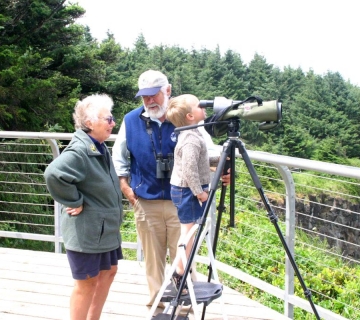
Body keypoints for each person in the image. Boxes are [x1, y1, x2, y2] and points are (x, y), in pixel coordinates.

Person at [112, 70, 229, 306]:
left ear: (168, 90)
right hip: (145, 201)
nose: (149, 101)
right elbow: (119, 158)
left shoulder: (186, 119)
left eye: (153, 95)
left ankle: (186, 302)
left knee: (184, 256)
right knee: (153, 259)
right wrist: (126, 188)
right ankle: (157, 304)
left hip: (183, 201)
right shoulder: (131, 120)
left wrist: (223, 170)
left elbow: (209, 153)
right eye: (144, 97)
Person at [44, 94, 123, 320]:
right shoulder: (80, 150)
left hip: (103, 230)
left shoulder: (98, 147)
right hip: (88, 232)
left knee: (109, 272)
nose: (113, 123)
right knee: (86, 282)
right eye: (108, 119)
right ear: (89, 123)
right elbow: (54, 174)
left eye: (112, 118)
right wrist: (74, 200)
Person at [165, 94, 220, 294]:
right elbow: (189, 170)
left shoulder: (192, 133)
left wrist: (217, 160)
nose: (204, 106)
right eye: (200, 105)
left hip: (185, 190)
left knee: (188, 233)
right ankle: (180, 272)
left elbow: (197, 161)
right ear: (189, 116)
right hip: (187, 191)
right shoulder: (191, 139)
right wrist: (200, 193)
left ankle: (182, 270)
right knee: (187, 234)